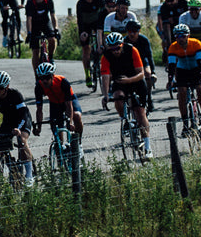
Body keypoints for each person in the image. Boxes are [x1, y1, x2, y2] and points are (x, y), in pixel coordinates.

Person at [97, 31, 152, 159]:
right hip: (119, 81)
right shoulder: (106, 56)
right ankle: (125, 120)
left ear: (122, 45)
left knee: (140, 112)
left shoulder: (132, 50)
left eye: (117, 48)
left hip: (136, 80)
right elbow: (105, 77)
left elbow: (141, 73)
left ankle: (148, 148)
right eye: (112, 49)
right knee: (117, 97)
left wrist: (129, 80)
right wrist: (105, 95)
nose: (115, 51)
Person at [0, 70, 36, 184]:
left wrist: (19, 129)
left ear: (7, 87)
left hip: (22, 119)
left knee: (22, 141)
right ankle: (12, 169)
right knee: (1, 145)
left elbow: (23, 114)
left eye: (0, 88)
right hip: (8, 121)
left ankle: (29, 175)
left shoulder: (15, 95)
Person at [166, 25, 201, 130]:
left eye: (183, 36)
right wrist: (170, 80)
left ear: (188, 36)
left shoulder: (196, 44)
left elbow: (200, 63)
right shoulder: (173, 47)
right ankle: (185, 123)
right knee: (182, 93)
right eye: (177, 36)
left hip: (195, 69)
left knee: (200, 89)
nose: (180, 39)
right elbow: (171, 66)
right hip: (182, 71)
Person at [33, 61, 84, 141]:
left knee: (76, 116)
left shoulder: (62, 82)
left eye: (47, 78)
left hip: (68, 101)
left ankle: (78, 141)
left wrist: (70, 123)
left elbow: (69, 105)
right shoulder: (39, 86)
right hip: (55, 104)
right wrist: (39, 127)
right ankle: (59, 150)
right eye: (41, 78)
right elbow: (39, 109)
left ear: (52, 76)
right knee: (57, 135)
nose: (44, 81)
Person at [74, 0, 108, 91]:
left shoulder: (100, 1)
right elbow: (79, 20)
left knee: (103, 43)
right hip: (86, 26)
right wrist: (82, 32)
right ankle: (87, 74)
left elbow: (104, 15)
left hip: (97, 24)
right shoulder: (80, 3)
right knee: (86, 49)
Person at [122, 18, 157, 110]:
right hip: (129, 63)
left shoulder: (144, 40)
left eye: (134, 31)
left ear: (139, 31)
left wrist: (153, 71)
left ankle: (148, 96)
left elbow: (149, 56)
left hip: (142, 61)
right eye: (129, 31)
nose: (132, 34)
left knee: (148, 73)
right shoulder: (124, 41)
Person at [156, 0, 186, 88]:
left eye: (171, 0)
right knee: (171, 49)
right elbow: (165, 26)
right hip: (171, 30)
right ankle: (171, 76)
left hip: (185, 29)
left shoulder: (184, 4)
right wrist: (168, 43)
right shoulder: (164, 8)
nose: (169, 3)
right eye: (167, 1)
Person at [24, 0, 59, 69]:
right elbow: (29, 19)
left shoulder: (49, 1)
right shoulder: (30, 2)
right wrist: (29, 33)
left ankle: (50, 57)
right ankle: (36, 75)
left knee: (52, 39)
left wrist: (56, 29)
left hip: (45, 22)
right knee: (35, 52)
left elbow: (53, 16)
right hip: (34, 25)